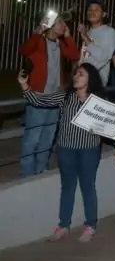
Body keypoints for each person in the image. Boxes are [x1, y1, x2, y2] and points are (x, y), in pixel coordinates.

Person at [19, 63, 105, 242]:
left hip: (89, 149)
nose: (76, 77)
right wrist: (24, 86)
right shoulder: (65, 96)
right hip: (66, 149)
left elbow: (109, 123)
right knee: (67, 187)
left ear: (90, 79)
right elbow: (40, 101)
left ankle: (90, 225)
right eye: (75, 74)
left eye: (81, 74)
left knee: (88, 187)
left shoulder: (98, 101)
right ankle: (63, 224)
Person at [18, 15, 80, 177]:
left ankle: (41, 170)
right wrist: (40, 30)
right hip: (38, 96)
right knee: (33, 137)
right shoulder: (39, 41)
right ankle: (26, 173)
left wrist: (67, 36)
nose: (63, 25)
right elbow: (24, 50)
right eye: (59, 22)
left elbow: (74, 56)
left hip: (55, 97)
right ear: (50, 26)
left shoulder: (59, 44)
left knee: (48, 136)